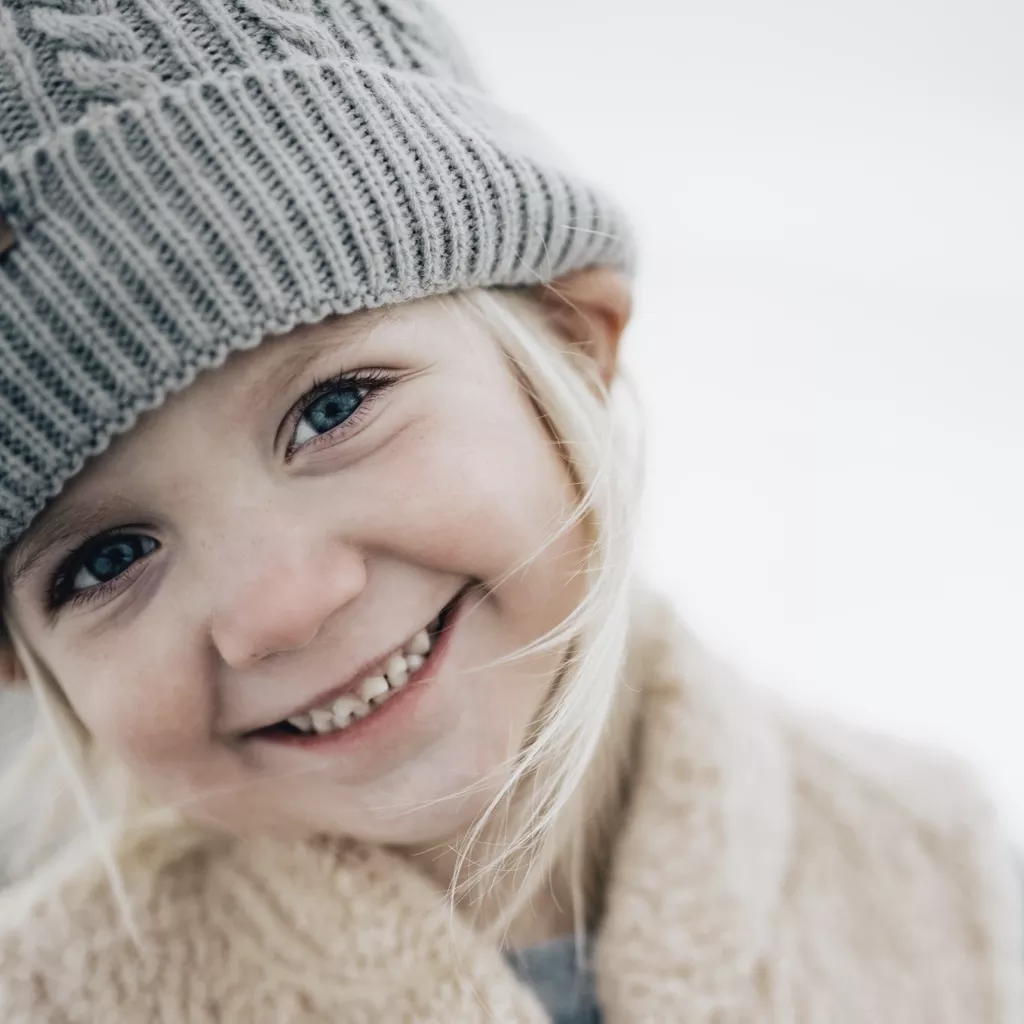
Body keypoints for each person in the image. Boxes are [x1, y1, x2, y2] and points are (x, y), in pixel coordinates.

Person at [0, 2, 1019, 1021]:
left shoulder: (940, 874)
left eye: (334, 407)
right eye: (106, 558)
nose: (282, 607)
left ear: (571, 340)